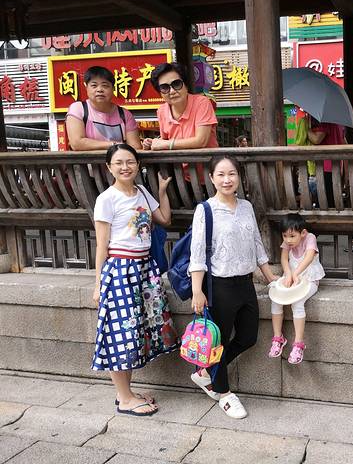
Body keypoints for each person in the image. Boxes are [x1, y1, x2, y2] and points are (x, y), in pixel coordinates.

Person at [188, 156, 278, 419]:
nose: (227, 180)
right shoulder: (205, 210)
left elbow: (257, 243)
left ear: (239, 177)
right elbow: (197, 253)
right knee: (219, 342)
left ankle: (205, 371)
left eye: (232, 174)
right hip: (220, 286)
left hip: (245, 283)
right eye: (221, 174)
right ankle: (224, 393)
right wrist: (197, 290)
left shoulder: (246, 206)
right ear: (211, 178)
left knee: (248, 337)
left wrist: (270, 277)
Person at [92, 144, 177, 416]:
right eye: (118, 162)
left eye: (130, 161)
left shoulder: (141, 192)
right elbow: (102, 244)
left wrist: (161, 192)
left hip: (143, 268)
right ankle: (125, 397)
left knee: (135, 331)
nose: (125, 167)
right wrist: (98, 284)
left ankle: (125, 394)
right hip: (120, 269)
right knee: (120, 333)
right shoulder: (107, 199)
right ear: (109, 167)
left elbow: (164, 219)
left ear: (138, 164)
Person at [268, 213, 325, 364]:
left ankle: (298, 344)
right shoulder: (288, 241)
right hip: (292, 278)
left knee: (297, 302)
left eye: (292, 236)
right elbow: (284, 258)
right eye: (285, 236)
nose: (288, 240)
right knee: (276, 299)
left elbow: (309, 257)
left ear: (303, 233)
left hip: (309, 279)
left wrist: (296, 274)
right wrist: (288, 274)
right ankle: (278, 338)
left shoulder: (310, 238)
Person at [308, 119, 353, 252]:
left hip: (326, 168)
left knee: (330, 206)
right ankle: (310, 238)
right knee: (329, 205)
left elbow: (316, 139)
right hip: (336, 168)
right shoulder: (339, 124)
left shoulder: (326, 123)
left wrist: (307, 129)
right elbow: (344, 143)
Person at [142, 62, 218, 151]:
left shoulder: (202, 103)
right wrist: (151, 143)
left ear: (186, 85)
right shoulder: (161, 111)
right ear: (160, 93)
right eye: (165, 87)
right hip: (176, 160)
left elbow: (201, 141)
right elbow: (164, 141)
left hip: (206, 160)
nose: (172, 91)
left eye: (177, 84)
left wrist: (166, 144)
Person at [66, 66, 141, 151]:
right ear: (86, 87)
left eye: (105, 86)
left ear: (113, 89)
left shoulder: (125, 114)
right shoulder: (78, 109)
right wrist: (114, 145)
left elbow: (135, 147)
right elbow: (76, 143)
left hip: (118, 159)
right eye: (94, 85)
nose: (99, 90)